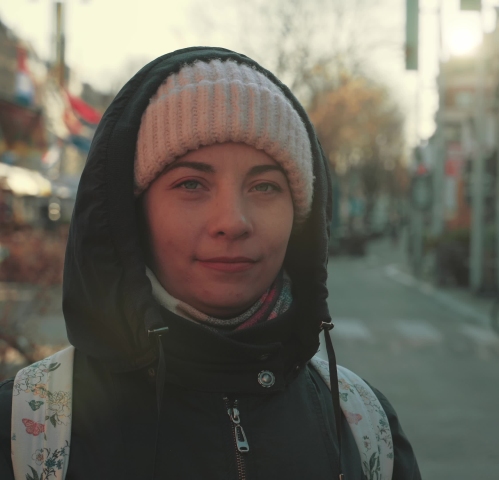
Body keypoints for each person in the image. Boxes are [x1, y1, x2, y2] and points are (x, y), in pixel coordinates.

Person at [0, 48, 420, 479]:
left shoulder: (364, 427)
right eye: (191, 183)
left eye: (264, 187)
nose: (232, 222)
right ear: (131, 212)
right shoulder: (28, 432)